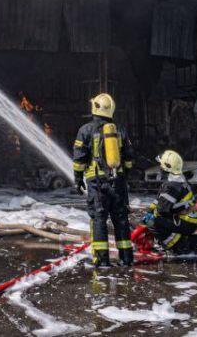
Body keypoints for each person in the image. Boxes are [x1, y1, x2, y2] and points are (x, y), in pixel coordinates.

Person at [72, 93, 135, 267]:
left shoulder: (85, 130)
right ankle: (126, 259)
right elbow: (129, 158)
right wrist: (123, 176)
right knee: (121, 219)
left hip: (96, 183)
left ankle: (101, 261)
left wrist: (77, 179)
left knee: (99, 219)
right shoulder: (120, 130)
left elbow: (79, 158)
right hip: (118, 181)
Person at [145, 149, 197, 254]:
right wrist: (150, 210)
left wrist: (150, 218)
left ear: (167, 168)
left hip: (187, 222)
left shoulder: (172, 187)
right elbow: (159, 200)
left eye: (161, 166)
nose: (160, 168)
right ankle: (177, 241)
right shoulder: (175, 181)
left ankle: (180, 246)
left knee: (153, 223)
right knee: (156, 220)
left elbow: (162, 210)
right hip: (186, 219)